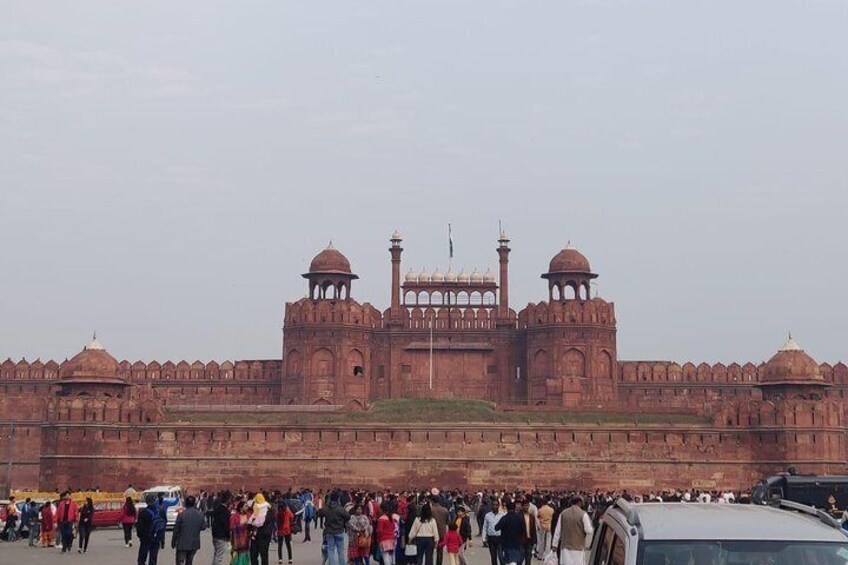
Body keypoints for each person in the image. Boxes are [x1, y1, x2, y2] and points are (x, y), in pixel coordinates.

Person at [550, 496, 593, 565]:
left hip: (565, 547)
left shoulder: (563, 513)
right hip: (578, 547)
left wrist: (554, 545)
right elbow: (588, 530)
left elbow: (557, 531)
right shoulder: (583, 514)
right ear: (579, 502)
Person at [171, 495, 206, 565]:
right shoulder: (200, 514)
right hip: (194, 543)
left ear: (185, 504)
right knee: (189, 561)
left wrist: (173, 541)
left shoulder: (181, 515)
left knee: (180, 562)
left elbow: (176, 530)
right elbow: (203, 527)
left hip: (182, 543)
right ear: (194, 503)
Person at [318, 493, 351, 565]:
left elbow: (319, 514)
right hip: (339, 531)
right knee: (340, 550)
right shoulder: (340, 509)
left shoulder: (327, 508)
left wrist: (321, 507)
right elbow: (348, 516)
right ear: (338, 499)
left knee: (331, 550)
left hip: (329, 531)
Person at [249, 492, 276, 565]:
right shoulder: (256, 508)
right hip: (255, 536)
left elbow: (265, 522)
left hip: (263, 536)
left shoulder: (268, 510)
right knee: (253, 555)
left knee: (263, 556)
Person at [494, 500, 524, 565]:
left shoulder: (504, 518)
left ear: (506, 508)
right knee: (516, 561)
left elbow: (496, 528)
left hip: (506, 544)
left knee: (507, 561)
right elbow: (523, 530)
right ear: (515, 508)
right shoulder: (519, 518)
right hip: (517, 544)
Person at [137, 493, 161, 565]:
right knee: (153, 558)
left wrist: (140, 536)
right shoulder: (159, 511)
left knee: (142, 558)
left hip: (146, 537)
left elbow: (139, 527)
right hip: (156, 538)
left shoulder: (143, 512)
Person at [211, 490, 232, 565]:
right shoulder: (224, 510)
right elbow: (225, 524)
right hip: (221, 536)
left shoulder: (218, 508)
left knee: (216, 554)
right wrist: (228, 535)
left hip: (216, 535)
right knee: (219, 556)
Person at [482, 500, 505, 565]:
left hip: (500, 538)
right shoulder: (487, 515)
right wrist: (483, 538)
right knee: (493, 557)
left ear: (498, 505)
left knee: (501, 556)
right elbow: (484, 527)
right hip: (491, 538)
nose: (494, 506)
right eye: (493, 505)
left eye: (496, 505)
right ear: (491, 506)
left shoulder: (502, 515)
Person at [428, 495, 449, 565]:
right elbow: (447, 521)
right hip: (442, 532)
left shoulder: (430, 510)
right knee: (440, 551)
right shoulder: (445, 510)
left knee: (430, 551)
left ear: (432, 501)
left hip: (431, 532)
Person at [230, 501, 251, 565]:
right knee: (236, 555)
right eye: (245, 506)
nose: (247, 507)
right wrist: (241, 525)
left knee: (244, 554)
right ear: (241, 508)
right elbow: (231, 527)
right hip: (237, 539)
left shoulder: (248, 515)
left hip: (246, 539)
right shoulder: (235, 516)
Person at [277, 496, 295, 565]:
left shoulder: (278, 511)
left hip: (280, 530)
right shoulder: (287, 510)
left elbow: (276, 519)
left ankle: (280, 559)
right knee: (288, 545)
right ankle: (290, 559)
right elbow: (292, 516)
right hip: (287, 530)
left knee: (280, 545)